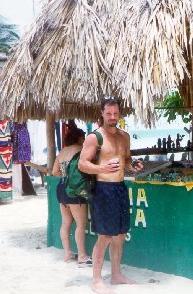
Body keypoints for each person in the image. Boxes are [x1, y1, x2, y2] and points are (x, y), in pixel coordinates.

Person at [78, 98, 143, 294]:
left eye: (115, 114)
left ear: (119, 114)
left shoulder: (125, 137)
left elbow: (127, 160)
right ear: (102, 113)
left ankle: (115, 275)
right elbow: (82, 163)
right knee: (104, 236)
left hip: (120, 188)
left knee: (120, 235)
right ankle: (96, 280)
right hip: (103, 189)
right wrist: (102, 167)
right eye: (108, 114)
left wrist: (133, 165)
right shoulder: (94, 137)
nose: (112, 117)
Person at [51, 124, 91, 267]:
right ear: (80, 138)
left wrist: (66, 176)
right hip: (75, 190)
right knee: (81, 224)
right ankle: (82, 255)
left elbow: (55, 172)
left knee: (66, 223)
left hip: (61, 188)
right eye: (84, 137)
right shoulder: (82, 150)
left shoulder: (62, 152)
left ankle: (67, 253)